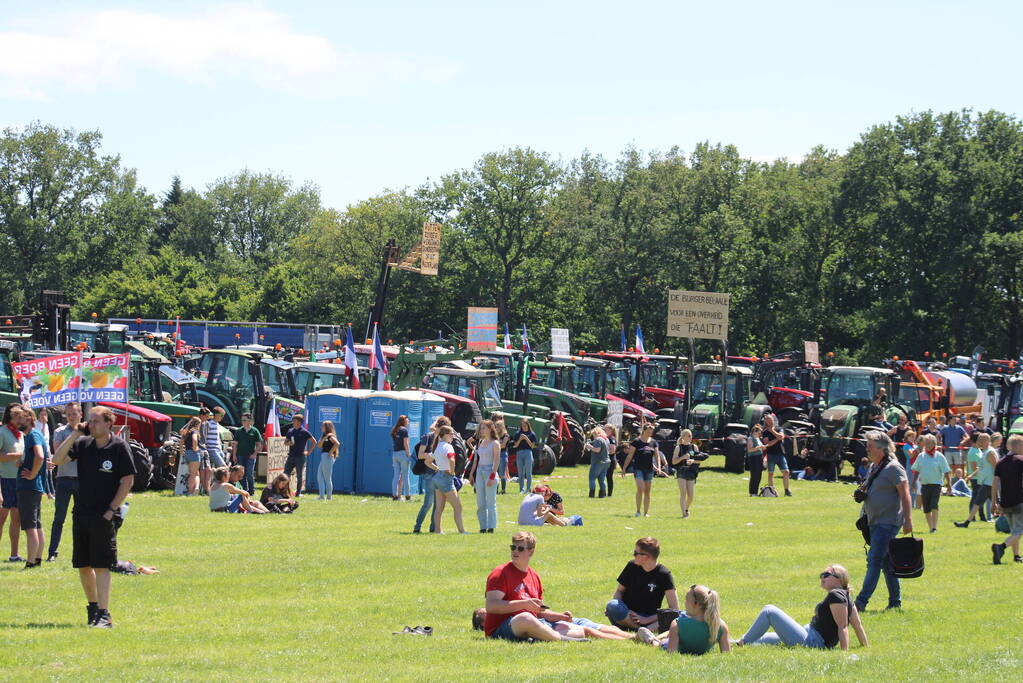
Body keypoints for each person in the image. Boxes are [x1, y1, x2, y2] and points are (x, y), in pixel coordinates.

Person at [51, 405, 135, 628]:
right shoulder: (82, 443)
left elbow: (127, 481)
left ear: (109, 423)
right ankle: (93, 608)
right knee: (83, 565)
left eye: (96, 421)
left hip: (104, 515)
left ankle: (105, 615)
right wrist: (76, 433)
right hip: (81, 512)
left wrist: (111, 510)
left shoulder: (119, 447)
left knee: (102, 565)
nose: (91, 424)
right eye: (90, 420)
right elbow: (57, 460)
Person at [481, 531, 586, 642]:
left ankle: (540, 637)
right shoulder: (500, 573)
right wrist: (524, 604)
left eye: (520, 548)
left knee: (578, 630)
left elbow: (538, 612)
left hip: (532, 623)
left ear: (531, 552)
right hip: (504, 627)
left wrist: (560, 616)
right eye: (513, 547)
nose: (515, 551)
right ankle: (561, 639)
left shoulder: (534, 576)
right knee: (525, 617)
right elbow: (491, 606)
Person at [737, 564, 868, 650]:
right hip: (808, 633)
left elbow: (843, 627)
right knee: (763, 639)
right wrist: (865, 646)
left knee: (769, 611)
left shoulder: (836, 595)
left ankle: (742, 642)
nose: (822, 577)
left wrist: (844, 654)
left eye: (827, 575)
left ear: (839, 579)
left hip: (812, 641)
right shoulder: (847, 597)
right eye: (821, 575)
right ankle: (732, 642)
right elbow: (858, 626)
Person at [854, 431, 913, 612]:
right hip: (874, 521)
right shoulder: (875, 467)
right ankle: (895, 602)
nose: (867, 449)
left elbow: (905, 494)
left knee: (874, 560)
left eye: (870, 446)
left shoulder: (894, 468)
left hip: (888, 522)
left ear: (881, 448)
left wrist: (908, 519)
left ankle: (860, 603)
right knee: (887, 564)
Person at [605, 537, 679, 630]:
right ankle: (643, 630)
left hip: (648, 616)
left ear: (645, 556)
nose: (633, 555)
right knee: (613, 605)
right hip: (627, 614)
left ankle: (641, 629)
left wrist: (646, 619)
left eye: (636, 553)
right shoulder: (631, 566)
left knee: (680, 615)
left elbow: (674, 608)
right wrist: (622, 607)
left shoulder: (664, 574)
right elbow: (619, 591)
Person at [642, 584, 730, 654]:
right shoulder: (720, 625)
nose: (684, 602)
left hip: (669, 645)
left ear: (695, 604)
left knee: (661, 642)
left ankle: (652, 640)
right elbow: (726, 654)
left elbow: (671, 652)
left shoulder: (677, 624)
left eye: (686, 599)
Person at [472, 607, 640, 641]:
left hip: (556, 619)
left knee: (602, 626)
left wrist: (560, 615)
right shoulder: (506, 624)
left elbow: (540, 611)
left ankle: (637, 635)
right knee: (587, 629)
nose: (487, 612)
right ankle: (632, 639)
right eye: (483, 615)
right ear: (482, 623)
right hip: (555, 622)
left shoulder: (509, 612)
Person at [48, 402, 82, 561]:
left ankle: (81, 551)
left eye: (74, 414)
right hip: (63, 479)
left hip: (82, 480)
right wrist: (74, 436)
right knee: (59, 518)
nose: (71, 417)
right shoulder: (60, 431)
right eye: (68, 414)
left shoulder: (89, 432)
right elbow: (58, 453)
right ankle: (52, 553)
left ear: (80, 414)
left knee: (81, 518)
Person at [17, 406, 47, 568]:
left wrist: (32, 474)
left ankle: (30, 562)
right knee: (36, 524)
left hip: (29, 487)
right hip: (33, 488)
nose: (17, 422)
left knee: (30, 526)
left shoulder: (33, 435)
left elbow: (40, 456)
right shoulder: (32, 435)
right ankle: (37, 559)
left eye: (20, 418)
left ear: (29, 418)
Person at [412, 417, 449, 534]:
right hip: (429, 473)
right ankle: (417, 527)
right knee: (428, 503)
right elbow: (420, 455)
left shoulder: (443, 440)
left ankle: (433, 528)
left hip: (440, 473)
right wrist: (434, 455)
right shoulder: (427, 437)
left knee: (438, 504)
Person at [427, 426, 467, 534]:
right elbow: (451, 459)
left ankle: (437, 530)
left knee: (439, 507)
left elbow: (427, 461)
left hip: (437, 478)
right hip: (446, 478)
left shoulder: (436, 446)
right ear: (445, 435)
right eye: (451, 434)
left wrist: (437, 468)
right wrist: (452, 472)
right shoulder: (448, 447)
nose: (453, 436)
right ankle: (462, 531)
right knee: (458, 507)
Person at [991, 434, 1023, 564]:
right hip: (1019, 500)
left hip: (1005, 501)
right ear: (1019, 446)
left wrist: (994, 502)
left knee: (1014, 530)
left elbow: (995, 483)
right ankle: (1001, 547)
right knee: (1019, 531)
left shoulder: (1000, 462)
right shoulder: (1021, 461)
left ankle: (1016, 556)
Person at [0, 403, 25, 562]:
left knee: (16, 519)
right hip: (4, 480)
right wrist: (15, 455)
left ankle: (14, 554)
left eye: (21, 417)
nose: (20, 419)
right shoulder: (2, 432)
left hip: (18, 481)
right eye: (17, 416)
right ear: (10, 415)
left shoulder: (21, 434)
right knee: (1, 519)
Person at [911, 434, 951, 533]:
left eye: (930, 443)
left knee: (934, 505)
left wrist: (949, 485)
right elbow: (916, 470)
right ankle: (930, 527)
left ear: (934, 443)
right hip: (925, 485)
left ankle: (934, 527)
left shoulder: (939, 456)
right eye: (926, 443)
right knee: (926, 508)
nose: (928, 445)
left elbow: (946, 471)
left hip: (936, 485)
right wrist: (913, 483)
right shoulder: (921, 456)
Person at [957, 432, 997, 527]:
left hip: (989, 482)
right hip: (986, 482)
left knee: (977, 502)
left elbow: (996, 467)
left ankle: (966, 523)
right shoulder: (984, 451)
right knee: (997, 503)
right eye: (978, 440)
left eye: (980, 440)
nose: (978, 442)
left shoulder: (990, 452)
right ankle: (1008, 520)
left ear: (986, 441)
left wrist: (996, 482)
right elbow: (981, 468)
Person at [622, 425, 663, 517]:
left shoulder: (654, 442)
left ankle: (646, 513)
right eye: (648, 431)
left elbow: (657, 456)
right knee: (640, 489)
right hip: (638, 468)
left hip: (649, 469)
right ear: (644, 431)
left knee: (647, 491)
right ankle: (638, 511)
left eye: (651, 432)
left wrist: (659, 467)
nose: (650, 433)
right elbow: (630, 456)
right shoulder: (636, 441)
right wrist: (624, 468)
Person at [470, 420, 500, 533]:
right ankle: (483, 527)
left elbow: (497, 461)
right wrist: (472, 474)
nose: (481, 430)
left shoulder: (495, 443)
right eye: (481, 428)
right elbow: (476, 460)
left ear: (490, 429)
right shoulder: (481, 442)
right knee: (480, 501)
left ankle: (491, 527)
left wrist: (492, 476)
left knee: (491, 501)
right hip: (479, 471)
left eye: (484, 428)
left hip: (489, 471)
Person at [671, 429, 706, 518]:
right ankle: (684, 514)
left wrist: (693, 461)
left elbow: (699, 461)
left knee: (690, 496)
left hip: (691, 472)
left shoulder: (694, 447)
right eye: (688, 436)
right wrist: (683, 457)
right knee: (683, 493)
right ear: (683, 437)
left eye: (691, 435)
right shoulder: (678, 448)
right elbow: (674, 462)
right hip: (681, 471)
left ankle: (686, 508)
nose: (691, 437)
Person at [232, 413, 263, 495]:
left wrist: (255, 454)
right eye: (242, 420)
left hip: (250, 456)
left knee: (249, 474)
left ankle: (252, 491)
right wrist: (234, 455)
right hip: (240, 455)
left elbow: (259, 445)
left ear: (250, 421)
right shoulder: (238, 431)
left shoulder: (255, 431)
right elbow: (235, 444)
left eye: (244, 420)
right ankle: (245, 491)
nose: (243, 421)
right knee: (241, 474)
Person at [762, 414, 792, 496]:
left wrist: (772, 431)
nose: (770, 421)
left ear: (773, 420)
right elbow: (768, 444)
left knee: (786, 472)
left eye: (771, 420)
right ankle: (772, 491)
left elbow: (782, 437)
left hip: (780, 454)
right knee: (770, 474)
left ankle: (787, 490)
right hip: (770, 455)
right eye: (767, 420)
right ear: (766, 422)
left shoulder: (779, 428)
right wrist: (777, 438)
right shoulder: (764, 432)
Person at [284, 415, 314, 497]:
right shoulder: (290, 431)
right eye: (293, 421)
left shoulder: (304, 432)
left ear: (300, 422)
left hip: (300, 457)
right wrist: (289, 443)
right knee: (285, 475)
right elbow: (285, 442)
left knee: (299, 475)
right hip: (291, 456)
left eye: (295, 421)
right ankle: (285, 492)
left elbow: (314, 441)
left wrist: (308, 452)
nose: (293, 422)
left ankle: (298, 493)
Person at [583, 427, 611, 498]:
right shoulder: (606, 439)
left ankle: (591, 494)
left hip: (598, 462)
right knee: (602, 479)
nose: (593, 437)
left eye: (593, 435)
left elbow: (597, 450)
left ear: (595, 433)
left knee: (592, 478)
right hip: (606, 462)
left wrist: (589, 446)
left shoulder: (598, 439)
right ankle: (602, 495)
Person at [178, 417, 202, 496]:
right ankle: (191, 492)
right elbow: (194, 440)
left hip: (187, 453)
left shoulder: (186, 432)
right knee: (193, 474)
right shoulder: (195, 431)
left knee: (195, 473)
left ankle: (196, 488)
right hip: (194, 454)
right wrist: (195, 448)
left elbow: (181, 443)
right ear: (197, 424)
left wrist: (182, 452)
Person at [511, 419, 537, 493]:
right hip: (519, 453)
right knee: (520, 473)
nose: (523, 426)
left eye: (525, 425)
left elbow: (532, 446)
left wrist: (526, 438)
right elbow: (515, 445)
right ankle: (521, 489)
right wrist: (520, 439)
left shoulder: (532, 434)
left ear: (528, 425)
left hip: (528, 453)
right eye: (522, 425)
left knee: (528, 472)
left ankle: (528, 489)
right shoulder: (518, 433)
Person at [317, 421, 340, 501]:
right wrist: (324, 438)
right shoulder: (325, 435)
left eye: (323, 426)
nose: (321, 427)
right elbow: (319, 445)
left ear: (327, 427)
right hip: (323, 457)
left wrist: (331, 452)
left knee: (327, 478)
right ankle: (321, 496)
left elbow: (337, 443)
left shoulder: (330, 436)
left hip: (327, 457)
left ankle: (329, 497)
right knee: (319, 476)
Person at [390, 415, 411, 501]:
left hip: (395, 454)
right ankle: (407, 496)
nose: (408, 421)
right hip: (403, 454)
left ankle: (395, 496)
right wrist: (408, 453)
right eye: (407, 420)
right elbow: (405, 443)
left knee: (396, 476)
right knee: (406, 476)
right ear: (404, 421)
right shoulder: (404, 430)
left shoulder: (395, 429)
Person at [746, 424, 766, 497]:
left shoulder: (758, 439)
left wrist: (763, 448)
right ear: (754, 431)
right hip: (753, 459)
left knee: (758, 476)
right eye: (759, 432)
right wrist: (758, 447)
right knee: (754, 475)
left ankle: (755, 492)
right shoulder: (750, 438)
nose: (760, 434)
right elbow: (750, 450)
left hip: (759, 458)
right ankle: (752, 492)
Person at [493, 415, 511, 494]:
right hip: (495, 455)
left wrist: (496, 445)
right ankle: (496, 490)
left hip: (503, 455)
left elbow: (503, 445)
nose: (495, 428)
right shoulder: (495, 436)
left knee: (501, 474)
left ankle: (503, 490)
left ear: (501, 427)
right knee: (495, 473)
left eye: (497, 426)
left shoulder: (506, 435)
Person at [604, 424, 619, 497]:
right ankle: (603, 492)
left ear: (611, 430)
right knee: (602, 476)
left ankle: (609, 494)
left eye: (606, 429)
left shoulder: (611, 438)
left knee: (609, 477)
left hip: (610, 459)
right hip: (605, 459)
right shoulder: (605, 438)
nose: (604, 431)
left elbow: (612, 450)